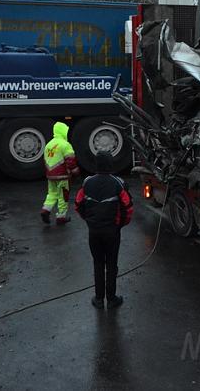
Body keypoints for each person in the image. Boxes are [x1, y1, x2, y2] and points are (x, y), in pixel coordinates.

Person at [75, 151, 133, 309]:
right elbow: (127, 207)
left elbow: (78, 204)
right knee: (112, 264)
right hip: (112, 231)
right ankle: (112, 298)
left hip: (94, 231)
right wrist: (120, 225)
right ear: (111, 164)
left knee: (98, 263)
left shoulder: (87, 182)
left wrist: (89, 221)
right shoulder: (118, 183)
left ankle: (99, 299)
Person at [41, 121, 80, 225]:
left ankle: (45, 210)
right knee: (63, 196)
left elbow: (45, 160)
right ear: (63, 132)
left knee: (52, 194)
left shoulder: (49, 144)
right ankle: (61, 217)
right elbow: (70, 161)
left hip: (50, 175)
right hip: (63, 176)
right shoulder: (65, 144)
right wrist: (75, 172)